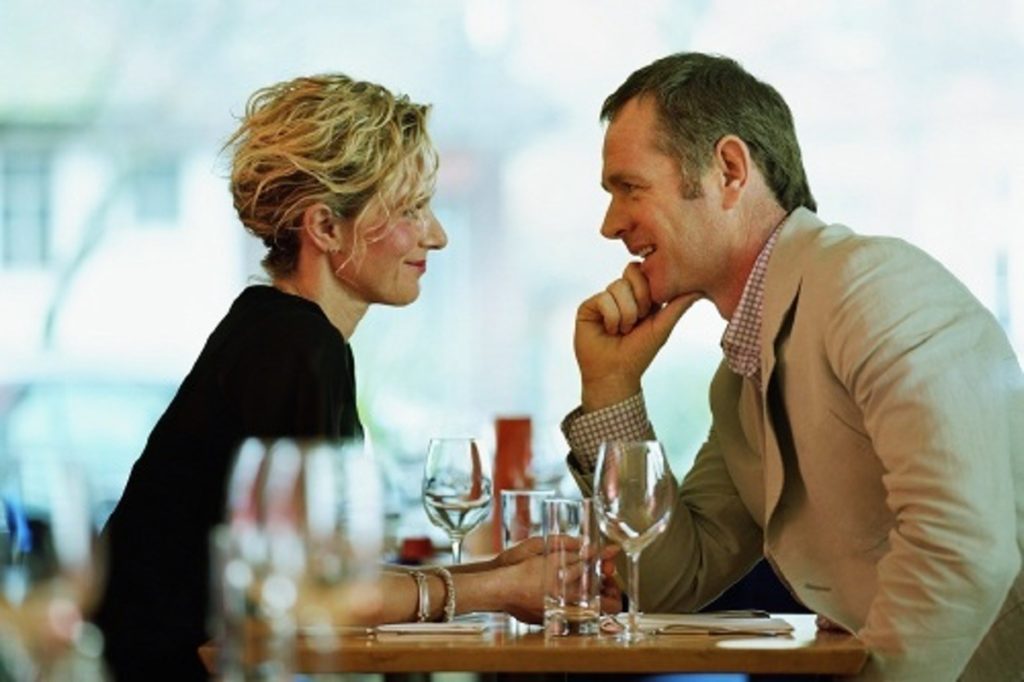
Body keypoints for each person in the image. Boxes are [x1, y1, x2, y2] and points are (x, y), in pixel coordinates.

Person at [95, 73, 619, 682]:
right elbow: (323, 596)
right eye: (411, 209)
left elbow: (325, 575)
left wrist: (499, 572)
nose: (438, 235)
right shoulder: (298, 345)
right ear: (325, 228)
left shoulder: (272, 330)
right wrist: (502, 587)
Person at [563, 52, 1023, 681]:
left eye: (629, 187)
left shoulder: (872, 285)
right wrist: (611, 389)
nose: (610, 224)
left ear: (728, 170)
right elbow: (670, 578)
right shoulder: (741, 378)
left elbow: (965, 544)